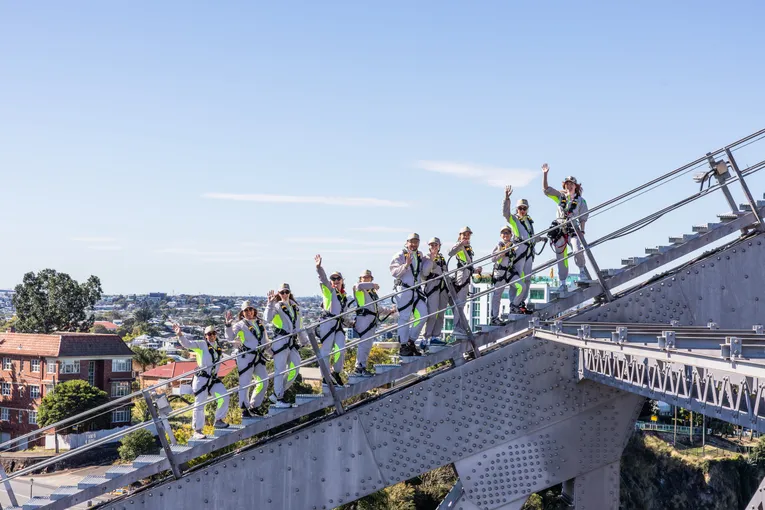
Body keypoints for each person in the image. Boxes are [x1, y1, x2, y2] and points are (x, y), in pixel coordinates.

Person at [174, 324, 229, 439]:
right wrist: (180, 335)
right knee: (200, 404)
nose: (212, 336)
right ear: (205, 336)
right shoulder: (201, 345)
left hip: (212, 379)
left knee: (224, 396)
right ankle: (197, 430)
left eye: (214, 333)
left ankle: (218, 420)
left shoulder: (217, 346)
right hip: (202, 379)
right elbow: (187, 344)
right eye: (209, 334)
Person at [542, 163, 591, 293]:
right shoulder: (559, 197)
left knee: (577, 249)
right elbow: (546, 189)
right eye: (567, 184)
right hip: (560, 229)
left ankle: (582, 271)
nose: (569, 186)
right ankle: (563, 282)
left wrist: (582, 230)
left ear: (575, 186)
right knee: (561, 256)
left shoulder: (581, 201)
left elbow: (583, 217)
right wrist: (545, 174)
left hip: (573, 229)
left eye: (571, 184)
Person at [390, 233, 432, 356]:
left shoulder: (419, 255)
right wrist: (406, 265)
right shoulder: (400, 255)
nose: (413, 244)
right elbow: (394, 272)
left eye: (416, 242)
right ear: (407, 242)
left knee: (424, 314)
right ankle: (403, 345)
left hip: (416, 289)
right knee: (404, 317)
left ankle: (410, 341)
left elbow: (423, 271)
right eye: (411, 242)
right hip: (404, 290)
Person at [224, 301, 269, 418]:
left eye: (250, 310)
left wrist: (272, 352)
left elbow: (265, 340)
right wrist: (228, 326)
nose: (248, 312)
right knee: (245, 384)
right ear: (242, 313)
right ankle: (244, 408)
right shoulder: (240, 324)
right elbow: (230, 337)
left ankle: (254, 405)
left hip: (258, 356)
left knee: (264, 381)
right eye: (246, 311)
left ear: (254, 310)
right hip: (246, 357)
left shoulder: (259, 323)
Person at [265, 284, 306, 408]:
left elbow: (299, 325)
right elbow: (267, 318)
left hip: (292, 342)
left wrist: (304, 340)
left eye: (286, 291)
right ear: (278, 294)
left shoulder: (295, 307)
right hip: (280, 341)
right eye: (282, 292)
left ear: (289, 292)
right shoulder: (276, 306)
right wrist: (270, 303)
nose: (284, 294)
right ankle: (279, 397)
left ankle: (277, 394)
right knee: (280, 371)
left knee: (295, 367)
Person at [315, 254, 349, 387]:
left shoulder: (344, 296)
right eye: (333, 279)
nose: (335, 281)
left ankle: (336, 373)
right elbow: (323, 279)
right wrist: (319, 267)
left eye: (338, 278)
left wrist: (351, 323)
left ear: (342, 280)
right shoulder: (330, 290)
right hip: (328, 323)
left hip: (339, 325)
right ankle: (325, 377)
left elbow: (344, 314)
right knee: (326, 351)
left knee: (341, 349)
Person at [350, 270, 393, 376]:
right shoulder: (360, 289)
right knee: (364, 344)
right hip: (364, 319)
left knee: (367, 345)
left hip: (371, 321)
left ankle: (362, 366)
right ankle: (359, 367)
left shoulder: (372, 293)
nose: (366, 279)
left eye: (368, 277)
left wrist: (390, 311)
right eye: (364, 277)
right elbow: (358, 286)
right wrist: (372, 285)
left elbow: (377, 308)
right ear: (360, 279)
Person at [503, 186, 535, 313]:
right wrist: (507, 198)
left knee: (527, 280)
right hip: (519, 253)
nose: (522, 210)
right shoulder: (515, 220)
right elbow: (506, 213)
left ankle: (521, 303)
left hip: (529, 253)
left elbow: (530, 236)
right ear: (517, 209)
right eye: (520, 208)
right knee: (517, 280)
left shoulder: (529, 221)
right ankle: (513, 303)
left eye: (524, 208)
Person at [447, 226, 482, 335]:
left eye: (468, 235)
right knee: (460, 304)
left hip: (466, 277)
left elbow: (467, 264)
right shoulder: (460, 246)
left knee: (462, 303)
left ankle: (460, 326)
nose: (466, 236)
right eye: (464, 235)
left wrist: (475, 270)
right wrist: (460, 243)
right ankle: (457, 328)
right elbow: (450, 252)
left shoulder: (468, 248)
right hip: (462, 278)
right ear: (460, 236)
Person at [422, 237, 449, 346]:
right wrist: (431, 259)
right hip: (432, 287)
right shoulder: (426, 258)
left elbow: (445, 271)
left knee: (441, 313)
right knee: (432, 313)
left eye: (436, 245)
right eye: (432, 245)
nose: (434, 247)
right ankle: (426, 337)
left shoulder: (441, 257)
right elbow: (425, 273)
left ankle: (435, 336)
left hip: (442, 287)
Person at [489, 226, 516, 325]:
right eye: (504, 233)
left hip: (508, 273)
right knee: (497, 296)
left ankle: (514, 308)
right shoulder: (499, 245)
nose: (505, 235)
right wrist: (503, 252)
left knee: (516, 288)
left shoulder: (513, 245)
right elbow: (493, 259)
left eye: (507, 233)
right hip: (500, 273)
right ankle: (494, 318)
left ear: (511, 235)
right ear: (501, 235)